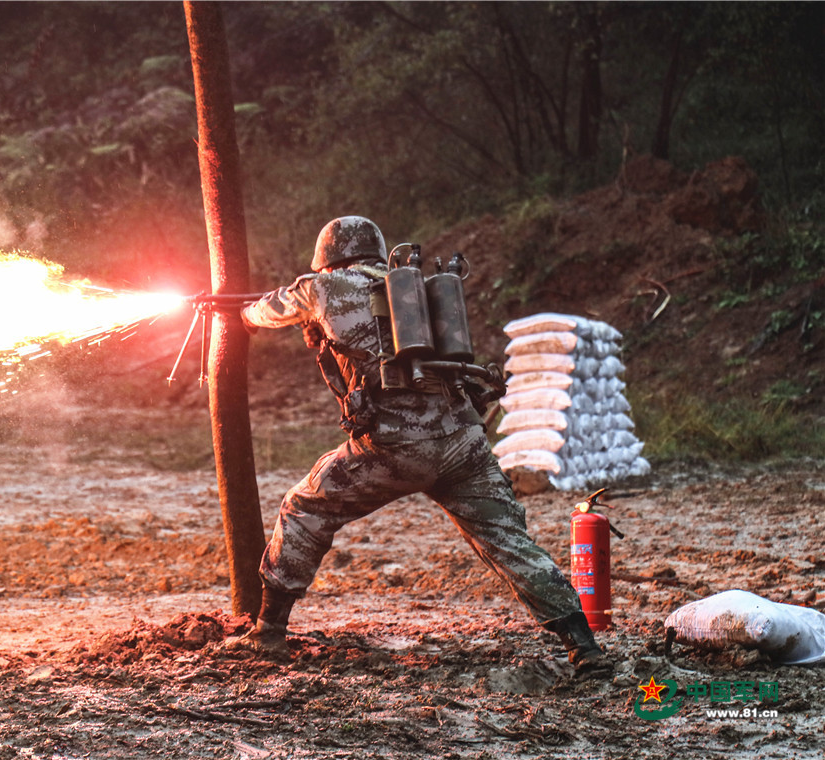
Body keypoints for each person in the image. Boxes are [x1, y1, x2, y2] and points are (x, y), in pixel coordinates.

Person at [228, 215, 610, 675]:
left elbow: (267, 309)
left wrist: (241, 314)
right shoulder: (410, 288)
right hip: (462, 442)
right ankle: (583, 645)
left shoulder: (321, 288)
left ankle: (268, 632)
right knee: (509, 542)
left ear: (327, 259)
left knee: (303, 508)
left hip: (394, 447)